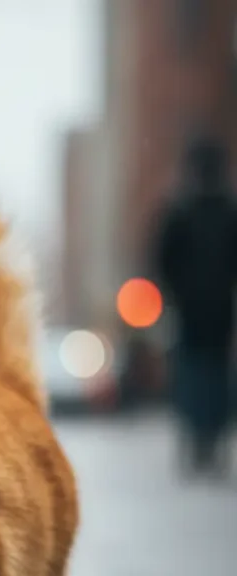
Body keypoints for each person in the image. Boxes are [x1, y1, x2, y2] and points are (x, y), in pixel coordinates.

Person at [155, 135, 237, 476]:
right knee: (209, 377)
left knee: (200, 377)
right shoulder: (217, 211)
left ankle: (203, 441)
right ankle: (205, 441)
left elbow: (163, 260)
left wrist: (178, 291)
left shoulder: (182, 211)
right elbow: (164, 260)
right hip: (211, 311)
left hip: (200, 312)